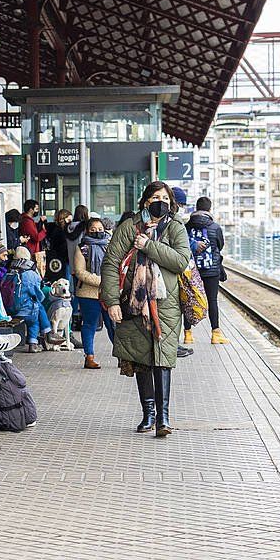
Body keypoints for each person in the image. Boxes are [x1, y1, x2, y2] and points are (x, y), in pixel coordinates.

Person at [100, 181, 191, 438]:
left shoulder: (175, 228)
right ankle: (148, 413)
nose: (159, 201)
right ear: (145, 201)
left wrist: (149, 245)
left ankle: (163, 418)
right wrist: (112, 302)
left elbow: (181, 261)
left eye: (164, 197)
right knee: (142, 358)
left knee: (163, 359)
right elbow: (110, 263)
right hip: (133, 302)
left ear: (171, 202)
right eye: (154, 197)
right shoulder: (129, 227)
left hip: (166, 304)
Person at [71, 217, 116, 370]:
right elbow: (79, 272)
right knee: (89, 324)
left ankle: (123, 357)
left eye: (100, 229)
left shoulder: (110, 245)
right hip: (88, 293)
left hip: (109, 292)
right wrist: (102, 281)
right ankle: (89, 357)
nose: (97, 232)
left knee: (113, 325)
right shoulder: (82, 247)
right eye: (93, 229)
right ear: (87, 230)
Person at [187, 196, 229, 345]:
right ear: (209, 209)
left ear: (196, 208)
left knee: (189, 300)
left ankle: (188, 334)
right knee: (212, 301)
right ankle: (215, 334)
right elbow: (220, 245)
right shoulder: (215, 227)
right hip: (211, 270)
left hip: (191, 270)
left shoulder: (187, 225)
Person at [8, 247, 50, 353]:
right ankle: (34, 343)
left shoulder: (9, 272)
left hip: (9, 308)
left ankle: (48, 332)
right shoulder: (30, 273)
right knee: (34, 320)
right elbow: (37, 292)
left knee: (36, 306)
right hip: (24, 309)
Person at [171, 187, 195, 360]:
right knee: (172, 311)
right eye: (179, 204)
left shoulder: (174, 221)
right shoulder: (172, 222)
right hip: (172, 273)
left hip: (175, 272)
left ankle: (174, 343)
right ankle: (172, 345)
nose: (179, 207)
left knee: (175, 311)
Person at [44, 208, 72, 284]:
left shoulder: (54, 228)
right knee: (66, 279)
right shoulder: (62, 231)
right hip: (64, 258)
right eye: (69, 219)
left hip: (57, 258)